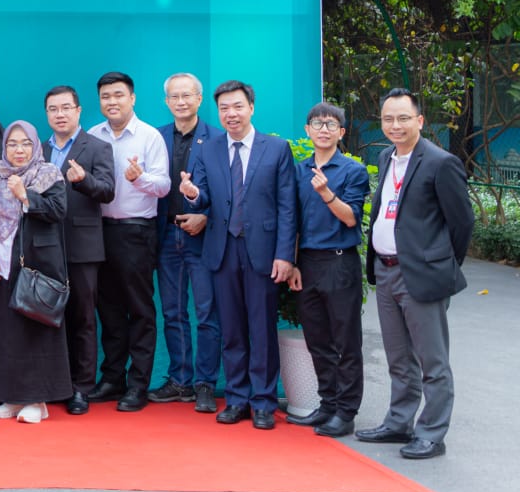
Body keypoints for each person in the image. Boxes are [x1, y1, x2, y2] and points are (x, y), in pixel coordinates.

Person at [355, 88, 473, 460]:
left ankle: (432, 433)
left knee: (432, 361)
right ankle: (398, 422)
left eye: (403, 118)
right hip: (386, 271)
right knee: (398, 356)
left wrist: (441, 266)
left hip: (421, 275)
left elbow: (462, 223)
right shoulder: (386, 156)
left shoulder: (440, 162)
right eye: (388, 118)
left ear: (419, 120)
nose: (395, 125)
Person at [178, 79, 297, 430]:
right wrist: (191, 193)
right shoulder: (209, 148)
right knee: (230, 329)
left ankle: (263, 402)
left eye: (237, 106)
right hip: (222, 249)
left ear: (251, 108)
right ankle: (237, 399)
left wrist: (285, 255)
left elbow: (287, 206)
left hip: (263, 251)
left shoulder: (276, 148)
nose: (231, 114)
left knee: (261, 328)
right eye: (224, 108)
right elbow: (202, 197)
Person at [286, 101, 369, 437]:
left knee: (345, 341)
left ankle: (346, 412)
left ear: (341, 132)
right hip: (307, 264)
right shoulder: (298, 170)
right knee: (317, 340)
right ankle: (328, 405)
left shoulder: (352, 170)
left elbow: (351, 218)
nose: (324, 129)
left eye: (331, 124)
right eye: (317, 124)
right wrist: (293, 262)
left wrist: (326, 193)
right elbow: (291, 220)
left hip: (339, 262)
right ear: (307, 130)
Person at [0, 122, 71, 423]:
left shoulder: (48, 174)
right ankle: (13, 398)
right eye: (12, 144)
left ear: (35, 146)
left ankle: (37, 401)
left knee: (34, 332)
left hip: (35, 264)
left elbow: (58, 211)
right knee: (7, 333)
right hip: (1, 263)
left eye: (25, 144)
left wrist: (25, 195)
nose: (19, 150)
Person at [88, 71, 169, 412]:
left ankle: (138, 384)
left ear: (132, 98)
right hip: (98, 231)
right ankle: (112, 379)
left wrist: (140, 178)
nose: (112, 102)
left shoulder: (150, 136)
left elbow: (163, 186)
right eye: (106, 96)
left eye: (118, 95)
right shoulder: (93, 136)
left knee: (139, 310)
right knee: (108, 310)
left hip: (137, 232)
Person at [151, 73, 222, 413]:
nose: (181, 102)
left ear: (199, 98)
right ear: (167, 101)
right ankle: (180, 380)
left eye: (187, 95)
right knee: (172, 312)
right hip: (166, 235)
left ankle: (205, 382)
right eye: (174, 96)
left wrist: (205, 216)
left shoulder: (217, 138)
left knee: (207, 312)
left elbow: (228, 191)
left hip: (202, 237)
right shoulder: (156, 137)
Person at [41, 85, 114, 415]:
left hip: (83, 247)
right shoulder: (39, 150)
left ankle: (81, 387)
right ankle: (54, 382)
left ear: (79, 110)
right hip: (45, 246)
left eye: (66, 108)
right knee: (47, 316)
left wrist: (83, 180)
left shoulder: (97, 146)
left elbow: (108, 191)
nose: (60, 114)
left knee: (83, 318)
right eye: (53, 109)